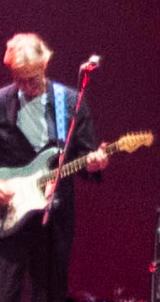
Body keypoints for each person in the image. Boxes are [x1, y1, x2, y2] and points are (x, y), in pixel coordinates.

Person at [0, 34, 109, 302]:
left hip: (54, 213)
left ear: (45, 65)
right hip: (9, 211)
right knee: (5, 290)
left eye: (32, 79)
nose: (26, 87)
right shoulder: (1, 103)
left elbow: (85, 155)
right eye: (19, 79)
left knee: (50, 292)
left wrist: (96, 164)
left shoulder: (70, 103)